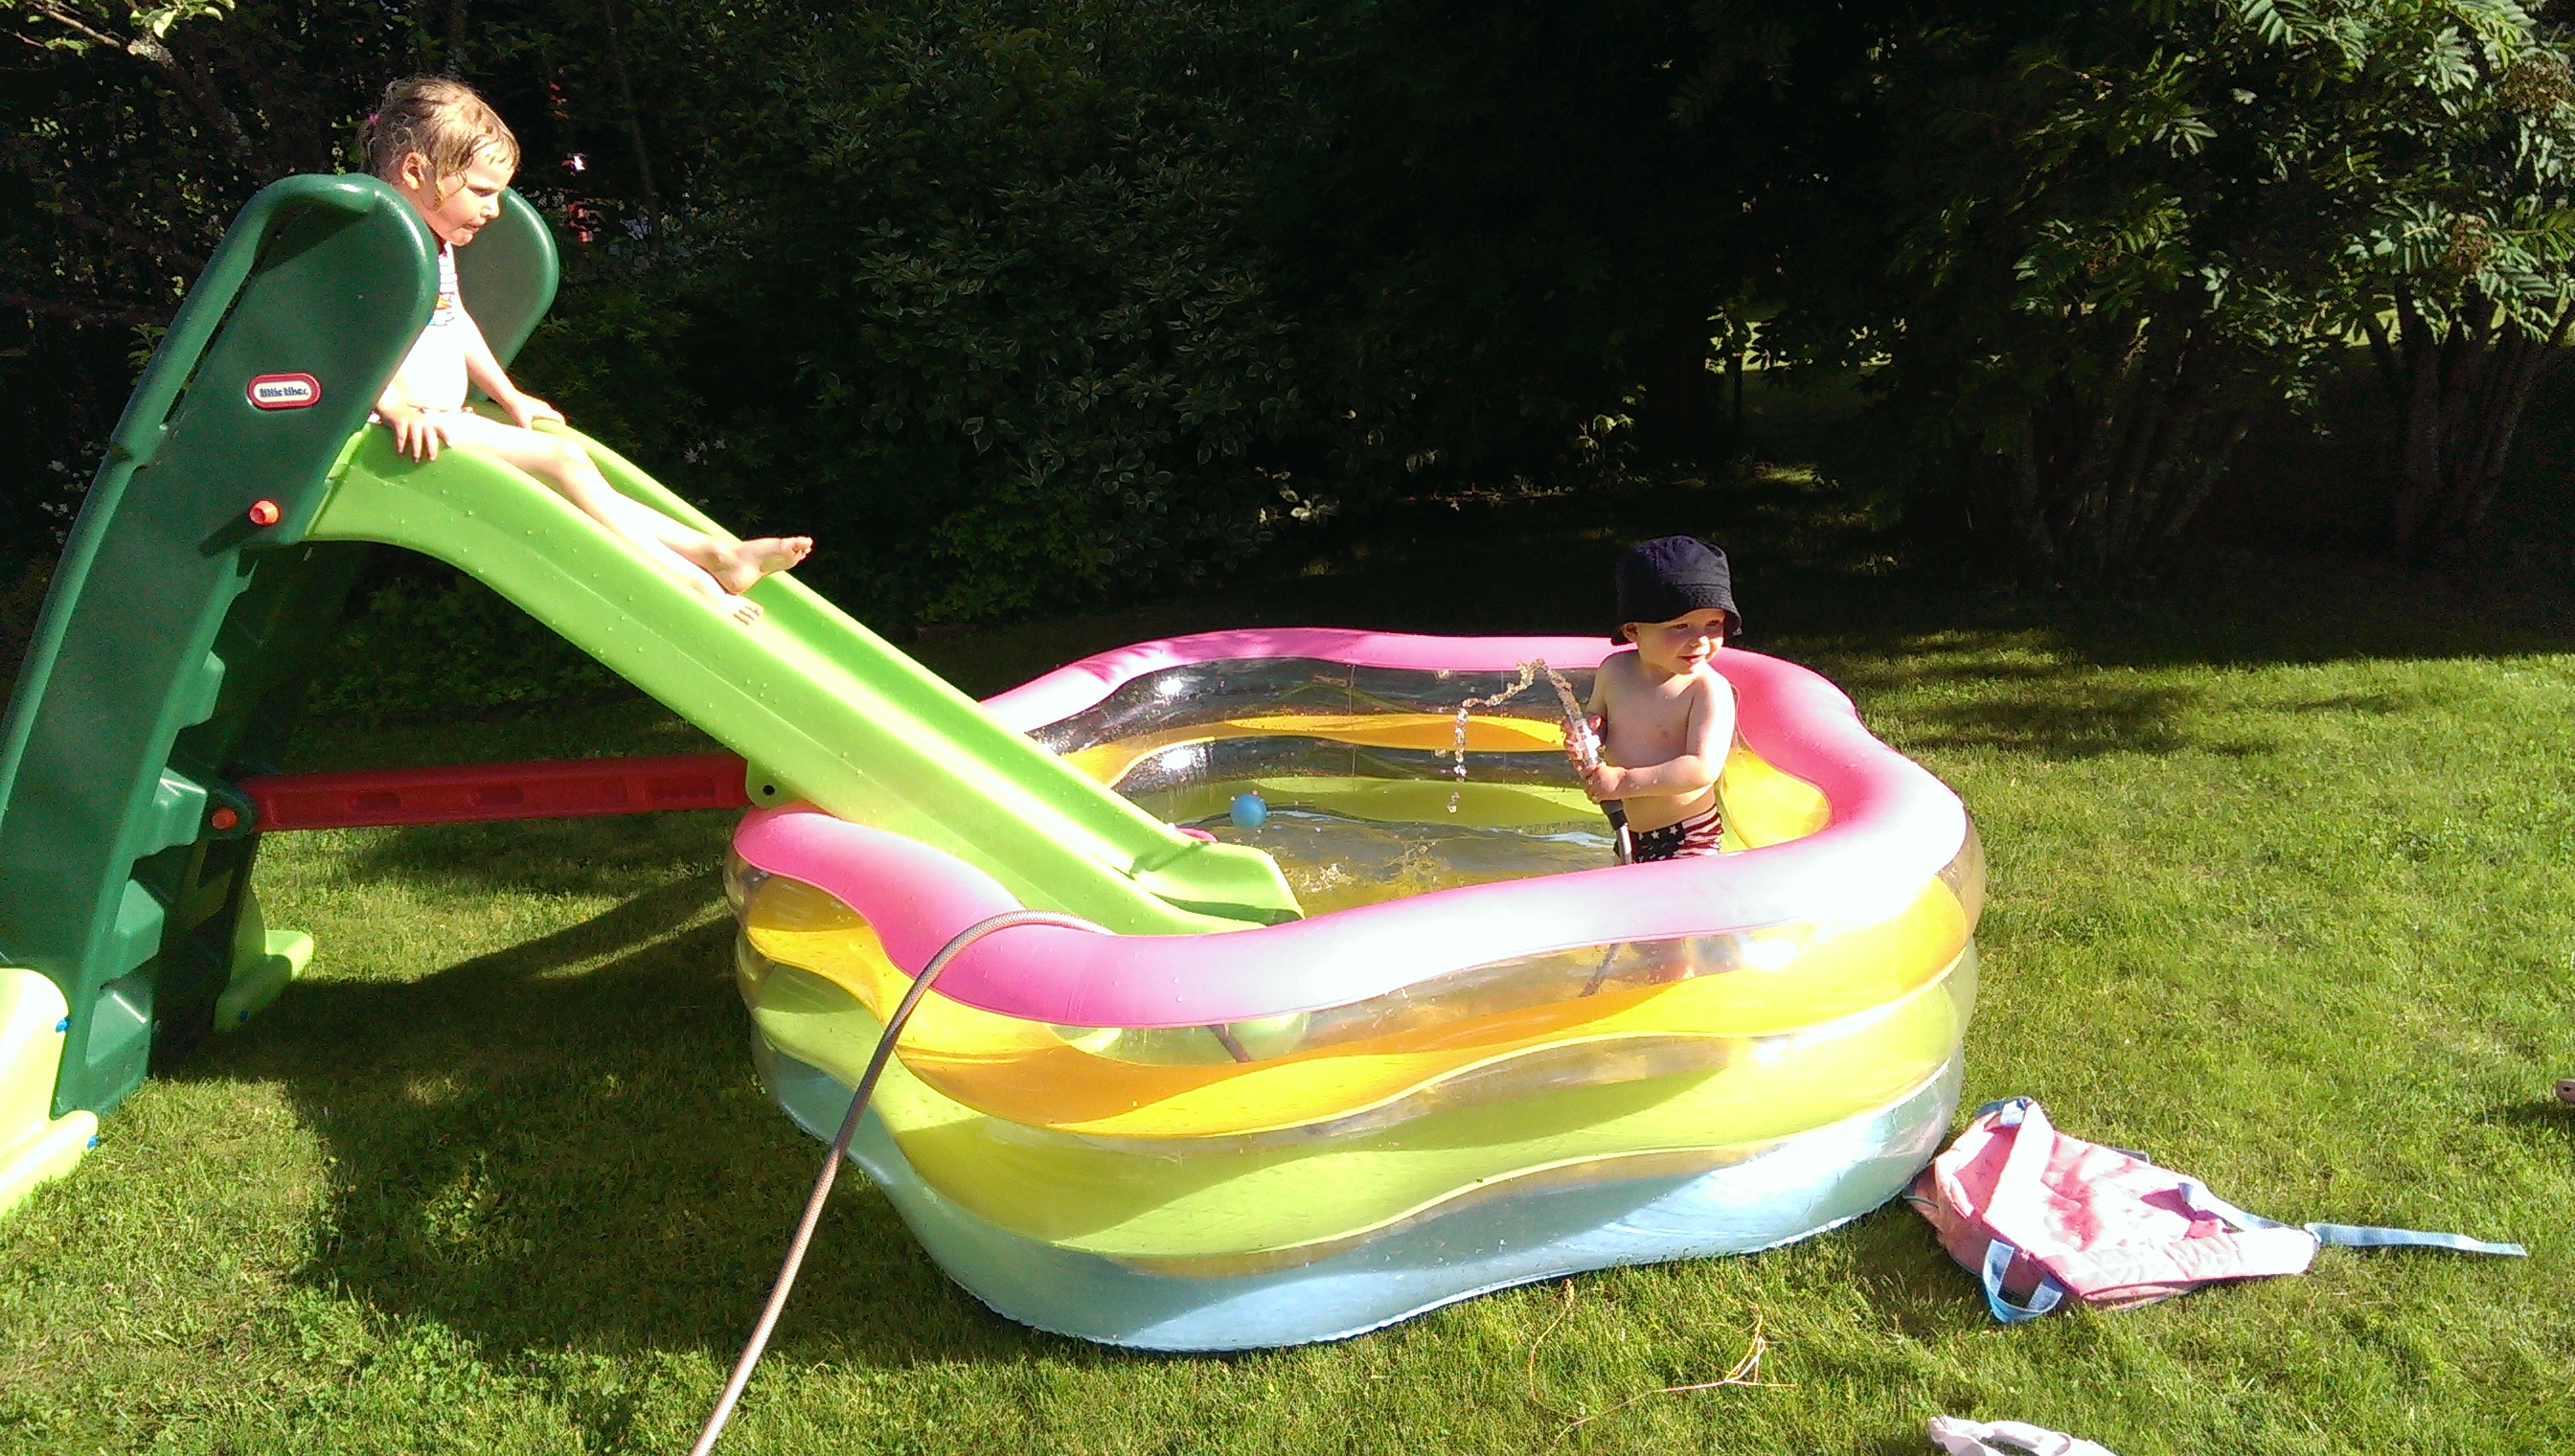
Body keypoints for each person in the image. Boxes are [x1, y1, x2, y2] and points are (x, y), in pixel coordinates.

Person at [363, 77, 809, 624]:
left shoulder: (432, 243)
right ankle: (692, 581)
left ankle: (716, 554)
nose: (494, 209)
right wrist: (393, 407)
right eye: (481, 191)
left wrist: (509, 395)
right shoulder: (374, 243)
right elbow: (342, 337)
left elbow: (453, 322)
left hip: (439, 420)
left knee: (574, 476)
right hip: (404, 430)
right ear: (415, 172)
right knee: (563, 461)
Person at [1576, 536, 1741, 863]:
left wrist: (1623, 781)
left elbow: (1701, 768)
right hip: (1630, 832)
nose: (1700, 640)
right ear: (1634, 630)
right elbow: (1598, 722)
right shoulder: (1614, 671)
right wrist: (1587, 737)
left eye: (1713, 624)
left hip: (1688, 835)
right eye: (1680, 626)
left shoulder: (1707, 689)